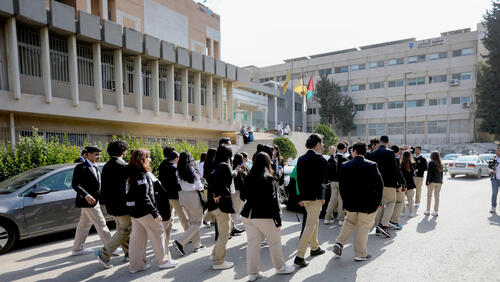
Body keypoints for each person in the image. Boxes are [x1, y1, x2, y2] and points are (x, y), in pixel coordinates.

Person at [240, 152, 295, 281]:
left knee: (253, 244)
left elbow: (243, 196)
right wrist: (278, 221)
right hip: (263, 215)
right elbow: (273, 202)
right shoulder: (268, 178)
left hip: (248, 215)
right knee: (274, 242)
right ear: (267, 162)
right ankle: (280, 267)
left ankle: (253, 273)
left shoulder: (248, 176)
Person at [126, 149, 177, 273]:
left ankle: (136, 265)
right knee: (158, 232)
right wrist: (155, 213)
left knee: (137, 238)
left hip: (134, 211)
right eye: (148, 157)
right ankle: (164, 261)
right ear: (142, 160)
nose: (149, 160)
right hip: (144, 211)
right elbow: (144, 196)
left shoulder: (131, 173)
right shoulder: (140, 175)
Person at [333, 142, 383, 261]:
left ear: (354, 151)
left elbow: (342, 187)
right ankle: (360, 254)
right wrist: (378, 203)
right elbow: (379, 186)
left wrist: (345, 201)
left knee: (349, 222)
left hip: (351, 203)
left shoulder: (345, 165)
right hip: (368, 204)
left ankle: (339, 243)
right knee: (363, 227)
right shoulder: (372, 165)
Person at [294, 134, 328, 267]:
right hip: (316, 197)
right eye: (322, 143)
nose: (323, 146)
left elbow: (299, 179)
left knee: (313, 223)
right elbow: (325, 180)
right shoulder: (320, 159)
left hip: (306, 197)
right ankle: (299, 255)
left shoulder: (301, 159)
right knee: (311, 224)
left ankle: (314, 247)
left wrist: (301, 197)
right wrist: (323, 196)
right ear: (318, 144)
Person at [71, 146, 112, 256]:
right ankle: (110, 247)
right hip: (88, 201)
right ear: (88, 154)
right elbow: (75, 184)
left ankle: (77, 248)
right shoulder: (81, 167)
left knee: (84, 225)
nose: (98, 156)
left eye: (99, 154)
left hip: (95, 200)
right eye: (96, 154)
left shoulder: (96, 166)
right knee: (101, 223)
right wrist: (86, 195)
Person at [95, 140, 130, 268]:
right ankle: (104, 253)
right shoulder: (123, 166)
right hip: (122, 205)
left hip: (112, 205)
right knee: (126, 229)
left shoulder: (107, 165)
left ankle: (128, 253)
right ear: (124, 152)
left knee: (122, 229)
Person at [207, 144, 238, 270]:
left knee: (227, 228)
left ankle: (215, 254)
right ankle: (218, 261)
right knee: (225, 232)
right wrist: (217, 194)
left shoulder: (216, 164)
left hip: (216, 204)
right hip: (221, 205)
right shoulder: (224, 166)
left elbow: (211, 178)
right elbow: (214, 179)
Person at [370, 136, 405, 238]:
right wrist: (400, 183)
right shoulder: (390, 153)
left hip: (376, 184)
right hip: (389, 183)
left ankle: (377, 228)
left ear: (380, 142)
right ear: (388, 142)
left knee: (379, 206)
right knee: (391, 203)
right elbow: (395, 169)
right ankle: (383, 225)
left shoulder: (372, 153)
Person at [173, 151, 205, 255]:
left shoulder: (178, 170)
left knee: (193, 222)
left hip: (182, 196)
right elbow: (198, 186)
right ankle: (180, 241)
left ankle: (197, 245)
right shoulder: (191, 169)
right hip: (192, 196)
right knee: (197, 222)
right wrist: (202, 184)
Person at [158, 146, 189, 232]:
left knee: (168, 218)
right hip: (174, 195)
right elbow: (176, 182)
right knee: (182, 216)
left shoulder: (162, 164)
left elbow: (160, 179)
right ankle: (189, 236)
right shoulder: (173, 166)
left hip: (165, 195)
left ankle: (163, 237)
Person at [325, 143, 348, 225]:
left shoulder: (332, 158)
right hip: (342, 182)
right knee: (341, 199)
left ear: (337, 149)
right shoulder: (346, 159)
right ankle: (341, 219)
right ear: (345, 149)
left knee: (332, 199)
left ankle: (327, 218)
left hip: (333, 181)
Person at [389, 145, 407, 230]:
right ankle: (393, 221)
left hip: (386, 185)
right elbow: (398, 173)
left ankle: (386, 221)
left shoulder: (385, 158)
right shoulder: (395, 159)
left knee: (390, 204)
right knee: (400, 202)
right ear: (397, 152)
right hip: (395, 185)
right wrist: (402, 184)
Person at [425, 151, 444, 216]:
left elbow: (429, 173)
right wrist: (441, 181)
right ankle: (436, 211)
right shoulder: (441, 163)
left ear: (432, 156)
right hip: (439, 182)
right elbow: (442, 174)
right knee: (437, 197)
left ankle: (427, 211)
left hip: (432, 182)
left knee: (429, 196)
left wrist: (427, 181)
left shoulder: (431, 163)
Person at [231, 153, 248, 229]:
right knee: (236, 210)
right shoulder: (238, 169)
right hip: (237, 192)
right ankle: (232, 227)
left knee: (236, 209)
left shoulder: (232, 168)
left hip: (235, 192)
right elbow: (240, 182)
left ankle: (232, 226)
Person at [203, 148, 217, 225]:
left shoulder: (206, 161)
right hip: (211, 185)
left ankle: (212, 220)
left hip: (208, 184)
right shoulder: (212, 162)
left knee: (212, 203)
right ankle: (206, 219)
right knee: (212, 203)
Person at [400, 151, 417, 217]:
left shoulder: (401, 164)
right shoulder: (413, 163)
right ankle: (411, 213)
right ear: (410, 155)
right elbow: (414, 173)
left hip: (403, 183)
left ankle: (403, 212)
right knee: (410, 199)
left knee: (402, 199)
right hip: (411, 183)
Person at [490, 147, 500, 213]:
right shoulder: (493, 159)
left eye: (499, 151)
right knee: (494, 193)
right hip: (495, 179)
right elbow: (488, 169)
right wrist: (492, 170)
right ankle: (493, 207)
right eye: (497, 150)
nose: (498, 152)